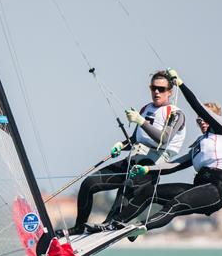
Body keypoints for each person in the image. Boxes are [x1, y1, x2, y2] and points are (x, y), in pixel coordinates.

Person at [118, 69, 222, 232]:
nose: (202, 122)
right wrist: (147, 169)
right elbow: (175, 165)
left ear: (215, 117)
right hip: (199, 186)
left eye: (205, 118)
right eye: (199, 120)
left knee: (174, 205)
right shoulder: (200, 144)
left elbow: (196, 106)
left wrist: (181, 84)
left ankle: (141, 227)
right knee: (148, 193)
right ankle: (116, 222)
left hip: (218, 188)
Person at [68, 70, 186, 235]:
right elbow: (134, 139)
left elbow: (163, 139)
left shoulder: (175, 114)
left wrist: (140, 121)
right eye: (153, 88)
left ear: (170, 92)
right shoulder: (146, 108)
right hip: (133, 159)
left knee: (124, 194)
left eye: (161, 89)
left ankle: (109, 225)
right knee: (88, 184)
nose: (156, 92)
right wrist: (121, 146)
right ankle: (79, 227)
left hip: (150, 165)